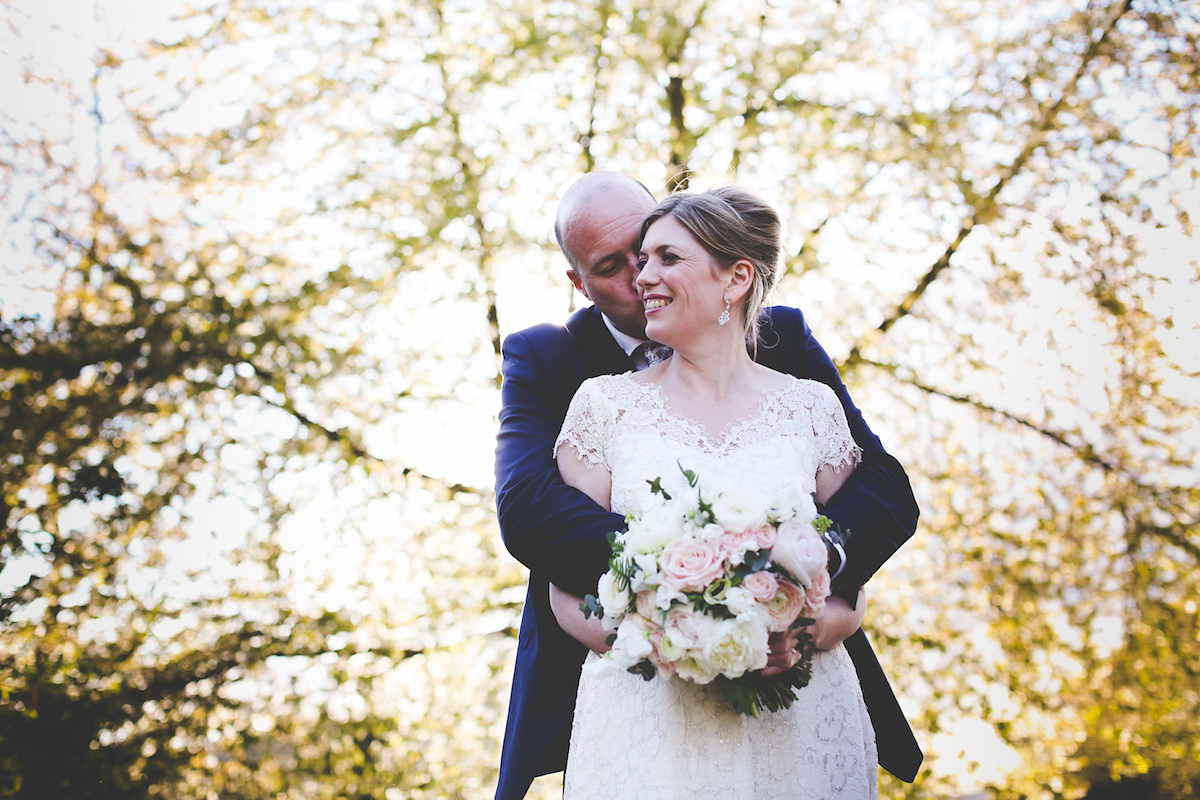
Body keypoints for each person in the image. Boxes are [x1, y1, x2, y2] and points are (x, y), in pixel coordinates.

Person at [493, 173, 921, 800]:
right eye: (614, 267)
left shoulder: (783, 347)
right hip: (641, 691)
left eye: (656, 249)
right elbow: (530, 510)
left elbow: (880, 488)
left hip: (794, 691)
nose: (641, 276)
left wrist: (799, 574)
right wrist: (692, 593)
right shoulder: (558, 365)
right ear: (579, 285)